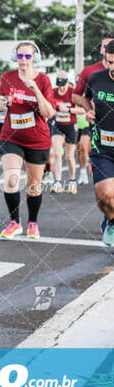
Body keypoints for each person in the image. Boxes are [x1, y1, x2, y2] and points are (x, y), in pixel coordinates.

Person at [0, 41, 55, 239]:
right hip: (11, 136)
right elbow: (0, 106)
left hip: (37, 139)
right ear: (15, 57)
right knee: (11, 179)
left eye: (27, 56)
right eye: (20, 56)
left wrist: (36, 90)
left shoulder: (43, 80)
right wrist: (2, 103)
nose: (23, 60)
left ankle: (32, 222)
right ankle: (14, 222)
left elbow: (49, 112)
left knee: (33, 185)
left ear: (34, 58)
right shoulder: (7, 77)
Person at [81, 39, 114, 246]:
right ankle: (111, 221)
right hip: (102, 149)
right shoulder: (96, 79)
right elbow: (85, 98)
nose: (113, 68)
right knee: (105, 196)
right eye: (110, 62)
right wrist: (88, 110)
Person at [72, 32, 114, 185]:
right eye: (105, 46)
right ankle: (83, 171)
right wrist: (89, 109)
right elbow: (77, 96)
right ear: (102, 49)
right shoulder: (91, 72)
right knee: (83, 146)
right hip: (96, 126)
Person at [50, 71, 84, 194]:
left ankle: (72, 181)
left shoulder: (73, 93)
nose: (61, 88)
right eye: (59, 86)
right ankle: (57, 182)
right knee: (58, 153)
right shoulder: (53, 92)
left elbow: (83, 110)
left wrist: (69, 110)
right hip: (58, 125)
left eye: (63, 86)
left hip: (71, 126)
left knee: (69, 156)